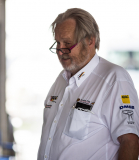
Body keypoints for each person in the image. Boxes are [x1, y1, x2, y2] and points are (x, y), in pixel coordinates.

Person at [38, 8, 139, 160]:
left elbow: (130, 141)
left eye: (67, 43)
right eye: (57, 43)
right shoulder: (61, 80)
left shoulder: (114, 78)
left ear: (90, 41)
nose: (60, 50)